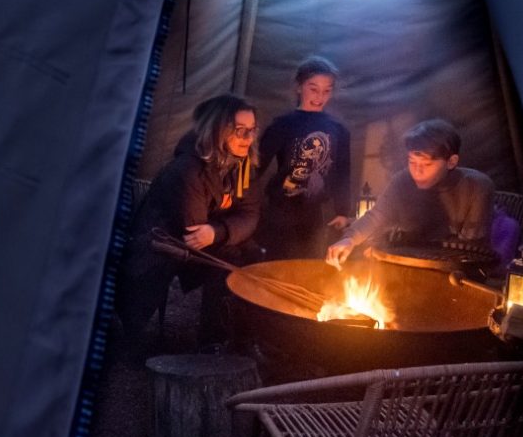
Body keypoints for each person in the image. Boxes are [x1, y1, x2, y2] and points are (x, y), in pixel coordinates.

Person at [118, 94, 262, 351]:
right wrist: (226, 229)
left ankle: (238, 335)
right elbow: (194, 231)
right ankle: (212, 342)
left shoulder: (241, 164)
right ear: (219, 129)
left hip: (202, 238)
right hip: (159, 245)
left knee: (253, 255)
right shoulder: (188, 169)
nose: (248, 139)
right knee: (229, 261)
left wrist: (220, 230)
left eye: (252, 131)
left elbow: (250, 213)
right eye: (240, 131)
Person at [326, 118, 494, 268]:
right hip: (408, 264)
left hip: (457, 271)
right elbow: (376, 216)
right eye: (412, 161)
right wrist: (350, 239)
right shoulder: (402, 181)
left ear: (451, 162)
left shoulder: (476, 187)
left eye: (427, 164)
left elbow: (470, 250)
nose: (417, 172)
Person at [256, 56, 352, 261]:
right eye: (313, 88)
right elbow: (257, 165)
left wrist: (343, 210)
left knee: (309, 266)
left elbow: (343, 172)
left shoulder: (337, 129)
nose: (320, 96)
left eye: (327, 90)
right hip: (281, 211)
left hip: (316, 214)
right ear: (299, 87)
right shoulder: (283, 125)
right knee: (280, 265)